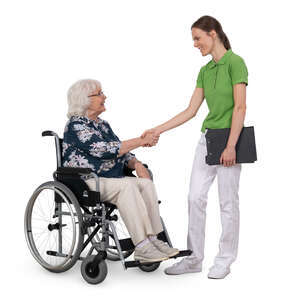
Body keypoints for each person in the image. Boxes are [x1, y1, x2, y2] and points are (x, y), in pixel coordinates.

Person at [142, 15, 248, 278]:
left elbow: (240, 106)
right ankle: (194, 259)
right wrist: (158, 129)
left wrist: (232, 145)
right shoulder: (204, 70)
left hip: (230, 138)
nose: (194, 44)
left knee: (227, 202)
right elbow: (190, 110)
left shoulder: (236, 63)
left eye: (197, 38)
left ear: (213, 34)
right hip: (208, 139)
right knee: (195, 198)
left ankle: (224, 259)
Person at [62, 79, 179, 263]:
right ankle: (142, 246)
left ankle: (154, 240)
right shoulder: (76, 125)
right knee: (127, 186)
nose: (104, 96)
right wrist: (141, 140)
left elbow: (121, 152)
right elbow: (104, 149)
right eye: (99, 94)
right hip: (86, 180)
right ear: (84, 99)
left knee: (145, 184)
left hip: (110, 179)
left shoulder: (102, 124)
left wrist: (137, 164)